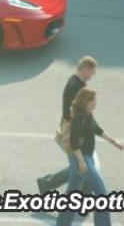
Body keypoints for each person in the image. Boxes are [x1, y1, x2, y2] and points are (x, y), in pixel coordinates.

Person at [56, 88, 124, 226]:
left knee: (72, 194)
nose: (96, 103)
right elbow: (74, 142)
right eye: (93, 100)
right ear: (86, 101)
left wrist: (115, 143)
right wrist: (82, 162)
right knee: (101, 193)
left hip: (86, 159)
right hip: (82, 160)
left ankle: (62, 223)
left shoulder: (88, 114)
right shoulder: (79, 117)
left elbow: (98, 130)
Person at [37, 56, 98, 194]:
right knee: (80, 166)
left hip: (73, 130)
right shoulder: (77, 87)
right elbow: (76, 113)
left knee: (78, 166)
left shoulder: (74, 81)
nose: (93, 75)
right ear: (85, 70)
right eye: (92, 72)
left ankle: (47, 184)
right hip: (74, 133)